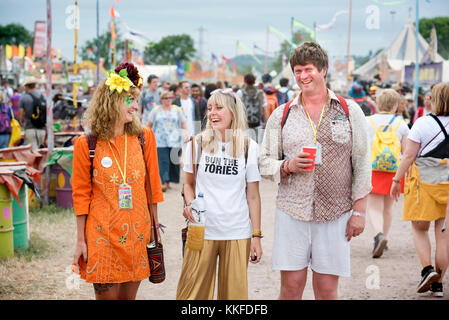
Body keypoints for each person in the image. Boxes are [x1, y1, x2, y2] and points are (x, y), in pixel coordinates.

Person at [259, 41, 371, 300]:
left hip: (336, 212)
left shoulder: (348, 110)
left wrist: (359, 212)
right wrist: (286, 165)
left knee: (327, 288)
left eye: (308, 69)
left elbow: (363, 162)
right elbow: (264, 161)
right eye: (297, 71)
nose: (302, 76)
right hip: (292, 210)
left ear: (323, 70)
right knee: (291, 286)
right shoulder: (282, 114)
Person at [71, 62, 164, 300]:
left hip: (137, 234)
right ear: (111, 101)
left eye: (136, 100)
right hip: (100, 236)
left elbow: (151, 187)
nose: (135, 105)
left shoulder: (145, 138)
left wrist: (154, 227)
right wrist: (81, 240)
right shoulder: (87, 144)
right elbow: (81, 195)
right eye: (130, 100)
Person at [176, 88, 262, 300]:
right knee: (193, 295)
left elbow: (253, 195)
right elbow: (188, 185)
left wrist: (256, 236)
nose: (213, 113)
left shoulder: (249, 147)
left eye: (219, 108)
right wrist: (191, 204)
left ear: (233, 111)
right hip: (201, 229)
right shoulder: (196, 144)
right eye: (210, 108)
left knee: (234, 297)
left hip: (237, 231)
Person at [390, 82, 449, 297]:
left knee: (419, 228)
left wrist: (396, 180)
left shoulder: (423, 123)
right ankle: (439, 284)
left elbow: (409, 156)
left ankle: (427, 270)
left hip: (424, 183)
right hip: (447, 183)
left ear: (434, 99)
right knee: (444, 235)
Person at [366, 89, 409, 258]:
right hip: (394, 171)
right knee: (388, 208)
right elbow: (406, 152)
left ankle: (378, 236)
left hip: (373, 168)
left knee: (374, 207)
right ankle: (385, 237)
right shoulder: (402, 124)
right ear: (395, 105)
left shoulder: (367, 121)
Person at [148, 90, 187, 192]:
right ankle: (164, 182)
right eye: (166, 98)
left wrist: (185, 133)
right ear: (161, 99)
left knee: (173, 162)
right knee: (163, 161)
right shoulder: (156, 110)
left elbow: (183, 123)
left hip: (174, 140)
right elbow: (149, 125)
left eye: (170, 98)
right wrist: (147, 137)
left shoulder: (177, 109)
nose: (168, 100)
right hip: (160, 141)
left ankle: (168, 180)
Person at [17, 78, 47, 150]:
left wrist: (21, 124)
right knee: (41, 152)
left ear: (27, 86)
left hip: (30, 129)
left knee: (31, 153)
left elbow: (20, 114)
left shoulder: (24, 97)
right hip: (42, 130)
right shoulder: (43, 97)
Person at [237, 74, 265, 143]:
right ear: (254, 81)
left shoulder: (240, 92)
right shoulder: (260, 93)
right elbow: (265, 109)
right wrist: (265, 121)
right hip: (257, 122)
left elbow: (237, 108)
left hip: (245, 123)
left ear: (245, 81)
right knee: (257, 143)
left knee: (246, 144)